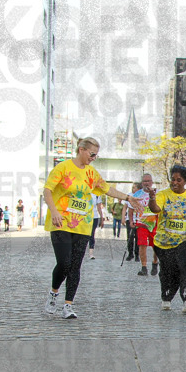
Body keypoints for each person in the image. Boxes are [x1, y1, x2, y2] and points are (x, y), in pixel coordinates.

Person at [43, 137, 140, 319]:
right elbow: (47, 190)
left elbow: (107, 190)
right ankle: (53, 293)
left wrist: (128, 197)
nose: (94, 157)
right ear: (81, 149)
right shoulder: (63, 168)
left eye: (97, 155)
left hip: (82, 225)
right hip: (60, 222)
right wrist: (54, 210)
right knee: (64, 263)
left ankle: (68, 305)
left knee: (75, 266)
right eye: (92, 153)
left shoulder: (92, 173)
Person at [148, 164, 186, 313]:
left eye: (178, 180)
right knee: (169, 271)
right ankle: (166, 296)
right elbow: (155, 209)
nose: (174, 182)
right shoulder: (163, 195)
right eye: (173, 179)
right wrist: (152, 199)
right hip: (165, 241)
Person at [132, 173, 159, 276]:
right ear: (142, 183)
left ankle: (155, 263)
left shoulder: (157, 193)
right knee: (142, 245)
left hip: (154, 223)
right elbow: (131, 208)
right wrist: (131, 221)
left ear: (152, 182)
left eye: (148, 181)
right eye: (144, 181)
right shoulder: (137, 194)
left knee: (155, 246)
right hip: (142, 223)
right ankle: (144, 267)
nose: (146, 183)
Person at [124, 182, 140, 262]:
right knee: (130, 237)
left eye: (135, 187)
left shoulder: (141, 196)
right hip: (130, 219)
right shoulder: (130, 195)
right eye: (133, 187)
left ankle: (137, 254)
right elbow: (126, 208)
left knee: (138, 238)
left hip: (139, 220)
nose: (133, 189)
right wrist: (124, 218)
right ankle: (130, 254)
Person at [87, 194, 105, 259]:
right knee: (83, 235)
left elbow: (99, 207)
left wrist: (101, 218)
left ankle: (91, 253)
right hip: (84, 217)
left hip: (94, 217)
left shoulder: (97, 195)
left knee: (91, 235)